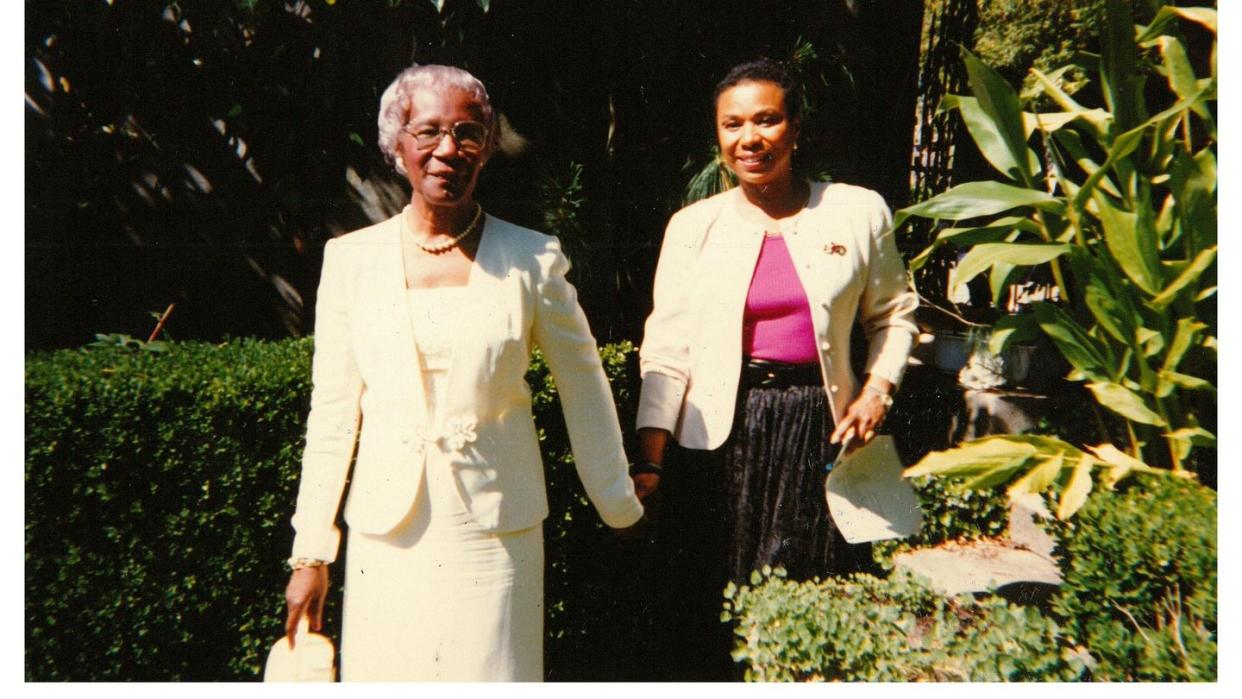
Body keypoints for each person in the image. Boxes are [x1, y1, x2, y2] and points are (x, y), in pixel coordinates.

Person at [281, 64, 647, 682]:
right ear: (397, 144)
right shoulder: (350, 261)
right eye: (428, 131)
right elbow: (334, 412)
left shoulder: (533, 258)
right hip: (385, 532)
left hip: (495, 531)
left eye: (469, 132)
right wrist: (311, 553)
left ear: (488, 146)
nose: (448, 149)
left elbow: (583, 385)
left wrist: (620, 503)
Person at [633, 58, 919, 680]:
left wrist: (875, 393)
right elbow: (666, 349)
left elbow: (895, 315)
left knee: (817, 580)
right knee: (715, 596)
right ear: (718, 136)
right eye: (733, 124)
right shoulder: (693, 227)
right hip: (719, 431)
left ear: (794, 128)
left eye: (767, 119)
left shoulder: (856, 211)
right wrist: (650, 459)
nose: (750, 138)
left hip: (821, 423)